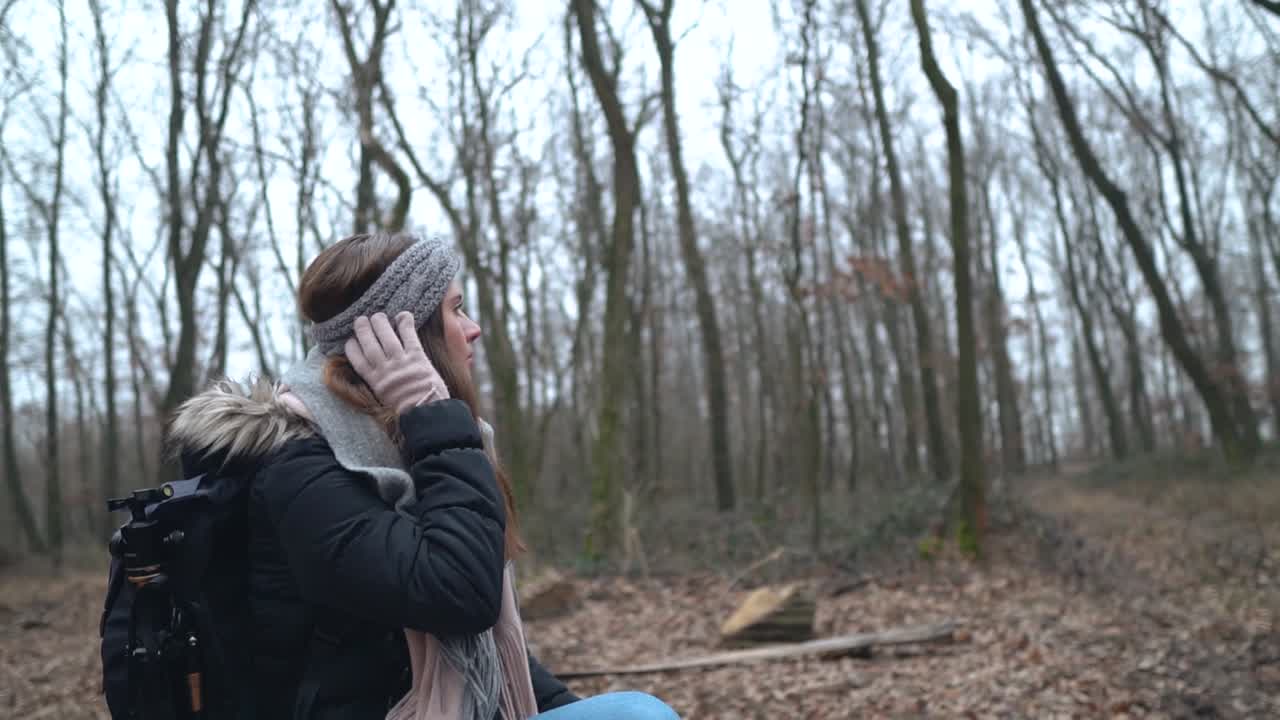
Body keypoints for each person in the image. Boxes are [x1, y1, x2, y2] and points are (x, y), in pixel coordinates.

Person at [167, 232, 679, 719]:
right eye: (456, 309)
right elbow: (459, 592)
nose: (474, 327)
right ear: (402, 338)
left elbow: (487, 651)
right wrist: (434, 415)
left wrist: (569, 709)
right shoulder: (299, 471)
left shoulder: (391, 449)